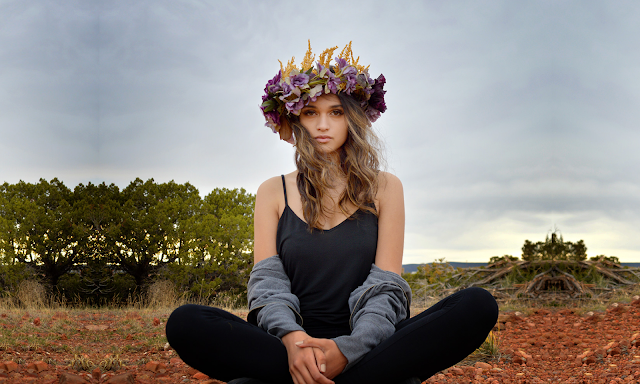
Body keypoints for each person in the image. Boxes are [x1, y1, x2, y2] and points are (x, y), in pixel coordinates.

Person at [166, 42, 498, 384]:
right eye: (310, 113)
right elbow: (267, 287)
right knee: (186, 322)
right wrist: (293, 341)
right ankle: (332, 374)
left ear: (351, 119)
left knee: (477, 305)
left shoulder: (386, 187)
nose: (322, 124)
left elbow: (386, 289)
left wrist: (347, 350)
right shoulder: (272, 191)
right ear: (296, 120)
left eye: (336, 112)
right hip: (287, 346)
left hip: (366, 343)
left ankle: (323, 374)